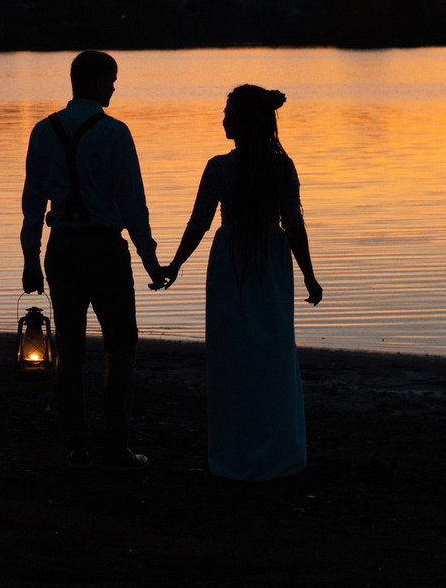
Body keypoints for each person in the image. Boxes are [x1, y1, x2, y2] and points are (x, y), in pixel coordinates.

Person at [160, 84, 322, 480]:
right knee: (272, 355)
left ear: (242, 121)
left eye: (228, 113)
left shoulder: (220, 168)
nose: (223, 120)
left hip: (230, 262)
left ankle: (236, 452)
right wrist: (308, 275)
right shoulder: (281, 167)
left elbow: (199, 223)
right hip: (270, 262)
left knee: (233, 358)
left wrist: (176, 263)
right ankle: (276, 450)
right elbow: (294, 226)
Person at [21, 50, 171, 467]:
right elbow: (133, 205)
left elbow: (32, 204)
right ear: (95, 82)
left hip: (61, 250)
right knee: (121, 347)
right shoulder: (115, 133)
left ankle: (76, 445)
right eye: (111, 80)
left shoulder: (42, 130)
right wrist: (150, 261)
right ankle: (116, 445)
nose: (114, 87)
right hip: (105, 249)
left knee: (70, 350)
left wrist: (30, 260)